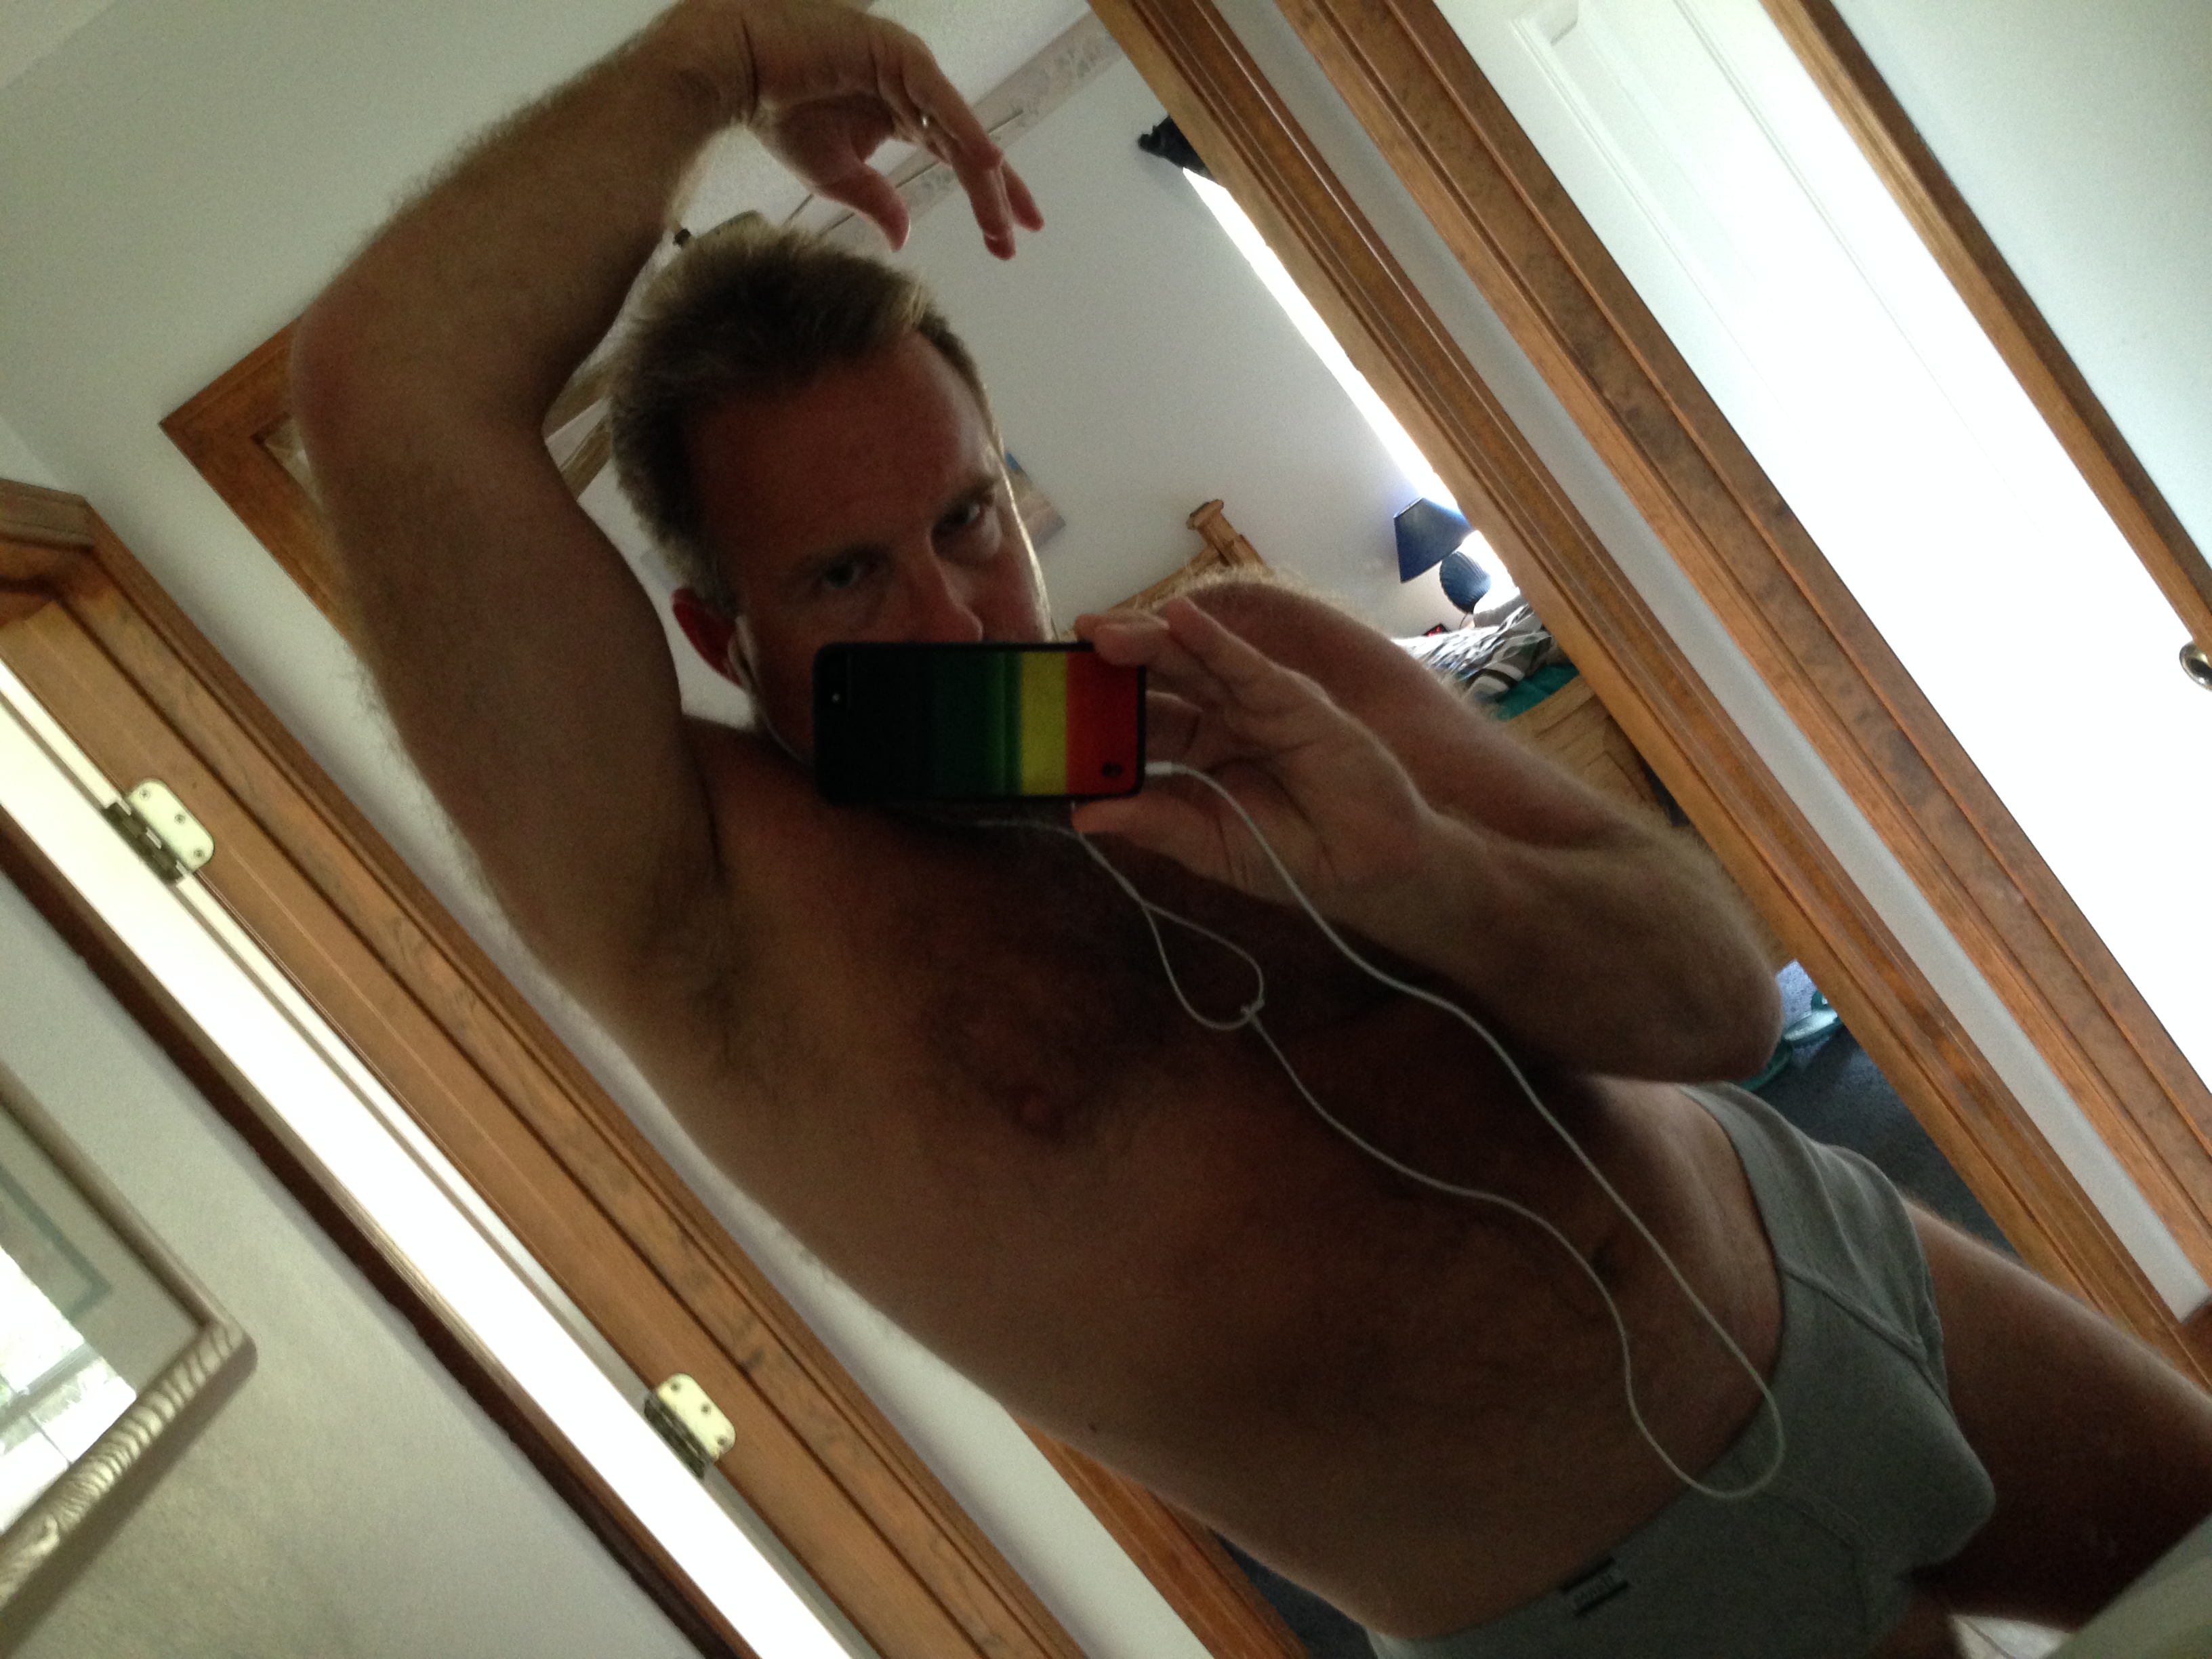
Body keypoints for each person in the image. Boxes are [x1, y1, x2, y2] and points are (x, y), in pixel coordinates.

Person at [290, 3, 2212, 1654]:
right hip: (1601, 1607)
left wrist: (1413, 875)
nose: (958, 619)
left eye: (968, 520)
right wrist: (721, 54)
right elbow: (385, 398)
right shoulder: (707, 909)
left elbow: (1716, 1004)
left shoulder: (1248, 665)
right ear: (727, 636)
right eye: (849, 576)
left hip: (1837, 1274)